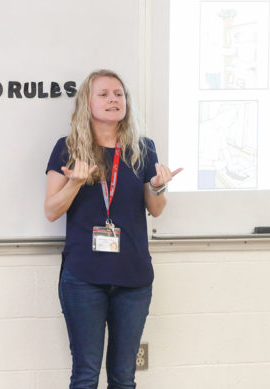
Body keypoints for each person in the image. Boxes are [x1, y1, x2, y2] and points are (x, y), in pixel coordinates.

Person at [44, 69, 181, 389]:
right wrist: (75, 183)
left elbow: (156, 210)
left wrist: (159, 187)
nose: (113, 100)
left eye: (119, 94)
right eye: (104, 94)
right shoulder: (67, 148)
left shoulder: (143, 148)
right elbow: (51, 210)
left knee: (124, 378)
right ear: (86, 103)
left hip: (133, 278)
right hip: (83, 278)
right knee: (85, 375)